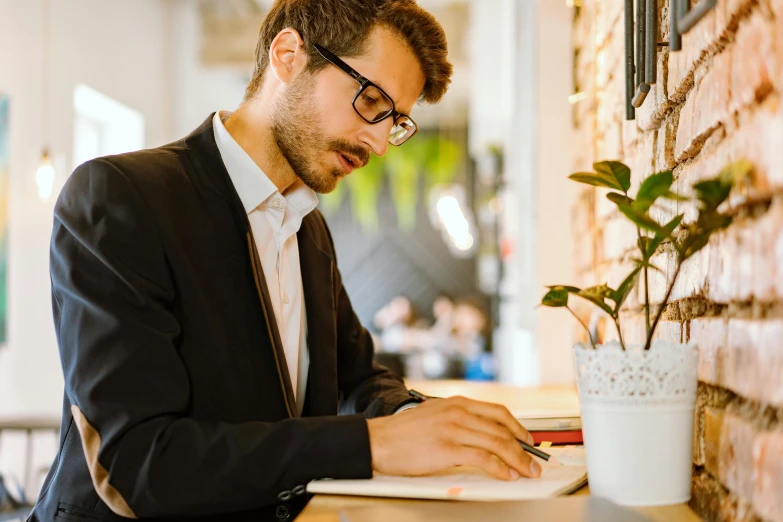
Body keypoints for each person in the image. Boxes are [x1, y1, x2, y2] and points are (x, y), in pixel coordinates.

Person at [29, 1, 540, 520]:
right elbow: (140, 464)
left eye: (397, 121)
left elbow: (357, 377)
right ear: (289, 55)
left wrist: (419, 418)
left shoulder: (308, 226)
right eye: (371, 101)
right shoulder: (120, 198)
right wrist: (374, 445)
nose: (381, 143)